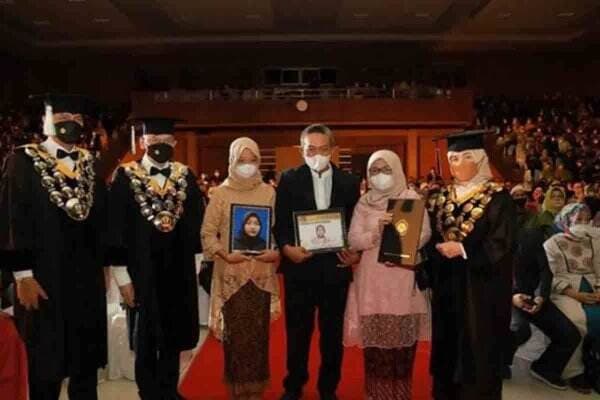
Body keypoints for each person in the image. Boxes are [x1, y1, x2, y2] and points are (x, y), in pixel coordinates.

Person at [0, 94, 108, 400]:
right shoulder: (22, 160)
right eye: (62, 118)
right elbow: (11, 217)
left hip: (85, 281)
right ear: (47, 122)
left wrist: (106, 268)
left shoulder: (90, 164)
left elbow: (100, 221)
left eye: (76, 119)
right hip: (43, 279)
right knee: (45, 368)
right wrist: (22, 275)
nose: (70, 123)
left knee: (84, 368)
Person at [108, 117, 204, 400]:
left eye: (166, 141)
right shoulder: (125, 177)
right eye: (153, 141)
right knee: (146, 336)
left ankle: (169, 389)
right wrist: (122, 276)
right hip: (141, 271)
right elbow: (115, 229)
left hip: (178, 269)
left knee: (175, 334)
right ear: (142, 143)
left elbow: (194, 221)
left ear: (174, 143)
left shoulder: (185, 176)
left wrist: (196, 264)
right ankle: (147, 392)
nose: (160, 145)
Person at [426, 130, 516, 400]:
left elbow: (502, 243)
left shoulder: (499, 198)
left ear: (479, 159)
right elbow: (428, 236)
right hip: (447, 288)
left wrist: (463, 249)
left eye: (465, 157)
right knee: (447, 347)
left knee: (478, 350)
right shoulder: (439, 197)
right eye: (452, 158)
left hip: (481, 290)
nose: (457, 164)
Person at [274, 124, 361, 400]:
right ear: (302, 150)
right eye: (311, 149)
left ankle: (328, 388)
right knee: (297, 333)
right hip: (299, 268)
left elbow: (355, 226)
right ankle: (294, 386)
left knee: (332, 335)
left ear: (332, 150)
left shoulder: (349, 181)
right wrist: (287, 249)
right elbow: (281, 223)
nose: (317, 154)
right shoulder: (288, 179)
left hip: (335, 268)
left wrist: (354, 252)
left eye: (323, 149)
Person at [343, 150, 431, 399]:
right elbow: (353, 239)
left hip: (401, 278)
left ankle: (400, 394)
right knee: (375, 350)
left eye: (385, 169)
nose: (379, 176)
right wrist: (376, 233)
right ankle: (376, 394)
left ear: (397, 170)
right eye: (374, 171)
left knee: (402, 349)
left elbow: (424, 233)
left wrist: (404, 240)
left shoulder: (410, 197)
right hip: (371, 282)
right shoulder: (364, 202)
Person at [201, 137, 280, 400]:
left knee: (258, 340)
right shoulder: (220, 193)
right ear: (232, 162)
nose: (247, 165)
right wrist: (224, 253)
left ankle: (256, 391)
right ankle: (237, 391)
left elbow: (278, 233)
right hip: (231, 278)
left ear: (259, 162)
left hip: (260, 277)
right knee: (235, 341)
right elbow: (208, 233)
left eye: (252, 160)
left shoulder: (269, 192)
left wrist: (275, 251)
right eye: (241, 160)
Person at [505, 225, 581, 390]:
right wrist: (511, 297)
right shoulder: (484, 240)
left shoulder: (530, 236)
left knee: (570, 334)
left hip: (531, 295)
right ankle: (498, 364)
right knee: (519, 329)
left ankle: (545, 368)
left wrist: (540, 296)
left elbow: (545, 271)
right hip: (503, 298)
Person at [544, 203, 600, 394]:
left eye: (587, 219)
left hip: (593, 286)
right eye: (579, 219)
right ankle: (574, 372)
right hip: (565, 290)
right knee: (577, 321)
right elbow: (550, 276)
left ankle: (596, 365)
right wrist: (574, 294)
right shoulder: (552, 243)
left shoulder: (595, 240)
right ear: (566, 220)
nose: (583, 223)